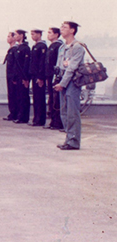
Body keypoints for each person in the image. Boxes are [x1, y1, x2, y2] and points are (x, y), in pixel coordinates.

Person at [53, 21, 86, 150]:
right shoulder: (62, 47)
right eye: (61, 26)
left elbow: (71, 68)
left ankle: (74, 142)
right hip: (62, 80)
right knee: (64, 112)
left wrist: (62, 84)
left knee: (72, 113)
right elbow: (59, 66)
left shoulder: (77, 47)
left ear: (72, 30)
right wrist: (57, 81)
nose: (61, 29)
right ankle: (69, 139)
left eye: (64, 27)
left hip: (72, 82)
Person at [45, 27, 64, 130]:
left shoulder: (58, 46)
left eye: (50, 33)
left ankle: (57, 122)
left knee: (56, 100)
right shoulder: (51, 46)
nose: (48, 35)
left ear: (56, 34)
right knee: (51, 99)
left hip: (55, 76)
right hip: (49, 75)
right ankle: (53, 121)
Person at [28, 29, 47, 127]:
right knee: (36, 98)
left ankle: (40, 119)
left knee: (40, 98)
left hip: (39, 76)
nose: (32, 36)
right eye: (31, 34)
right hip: (34, 75)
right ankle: (36, 118)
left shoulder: (42, 46)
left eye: (34, 34)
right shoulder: (35, 46)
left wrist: (40, 77)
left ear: (39, 34)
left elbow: (42, 62)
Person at [12, 30, 31, 124]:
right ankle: (19, 116)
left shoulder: (25, 48)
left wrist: (25, 78)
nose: (14, 36)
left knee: (24, 97)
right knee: (19, 96)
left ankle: (24, 117)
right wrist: (14, 77)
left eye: (16, 34)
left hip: (23, 76)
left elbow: (26, 64)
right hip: (18, 76)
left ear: (21, 35)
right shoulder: (17, 48)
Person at [3, 32, 18, 121]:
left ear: (14, 38)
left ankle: (14, 113)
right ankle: (12, 113)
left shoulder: (15, 49)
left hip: (13, 75)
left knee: (14, 94)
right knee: (10, 94)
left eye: (9, 36)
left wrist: (14, 76)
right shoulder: (11, 49)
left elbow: (15, 64)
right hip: (9, 75)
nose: (7, 38)